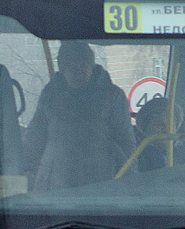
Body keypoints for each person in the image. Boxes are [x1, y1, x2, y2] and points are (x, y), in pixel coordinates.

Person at [22, 41, 134, 191]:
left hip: (102, 182)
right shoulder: (51, 95)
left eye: (83, 66)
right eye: (72, 67)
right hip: (56, 183)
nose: (78, 71)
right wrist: (24, 171)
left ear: (92, 67)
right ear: (62, 70)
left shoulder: (112, 96)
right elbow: (35, 138)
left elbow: (126, 142)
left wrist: (130, 183)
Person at [133, 95, 185, 172]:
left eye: (170, 125)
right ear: (144, 129)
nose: (166, 130)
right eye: (159, 125)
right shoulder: (136, 152)